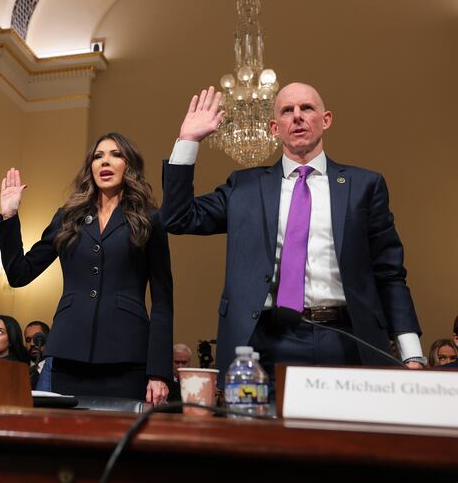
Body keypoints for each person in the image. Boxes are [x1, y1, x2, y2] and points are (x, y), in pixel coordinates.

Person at [160, 84, 425, 387]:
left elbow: (389, 273)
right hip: (268, 343)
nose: (297, 116)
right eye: (287, 110)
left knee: (349, 435)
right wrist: (188, 140)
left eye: (307, 108)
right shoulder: (244, 188)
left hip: (350, 338)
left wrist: (411, 355)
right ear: (275, 127)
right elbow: (177, 217)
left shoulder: (365, 186)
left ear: (326, 120)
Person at [0, 132, 173, 404]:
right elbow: (19, 273)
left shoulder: (149, 219)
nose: (105, 162)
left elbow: (162, 302)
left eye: (115, 155)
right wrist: (9, 215)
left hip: (127, 355)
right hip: (69, 352)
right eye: (98, 156)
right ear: (90, 167)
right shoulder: (67, 217)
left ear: (129, 166)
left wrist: (158, 371)